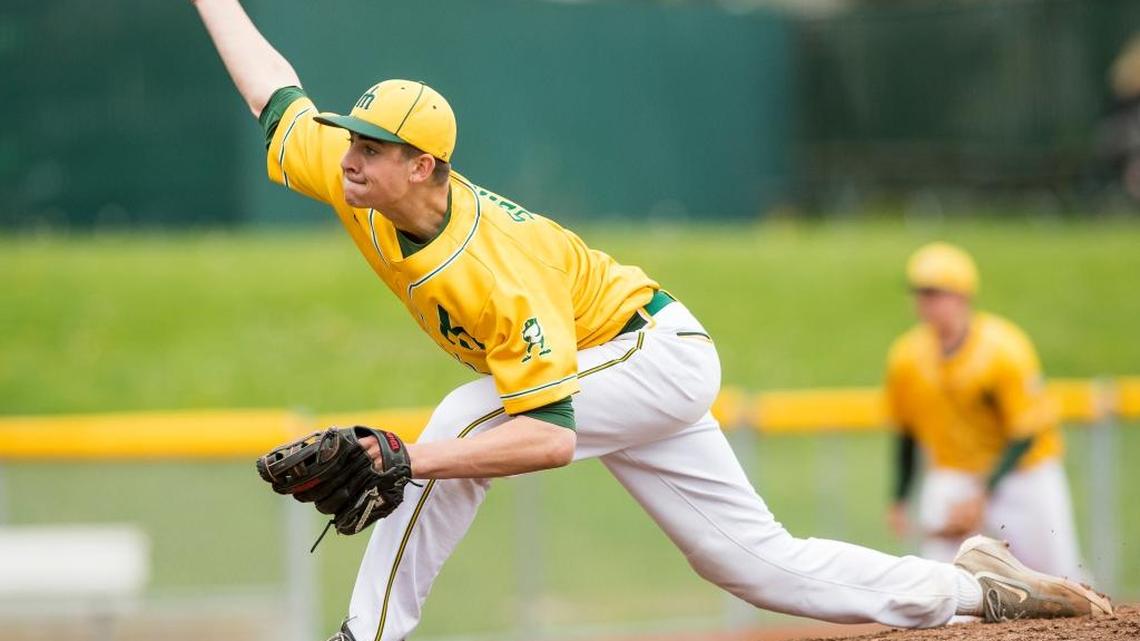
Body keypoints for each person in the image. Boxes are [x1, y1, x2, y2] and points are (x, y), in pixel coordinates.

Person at [190, 2, 1112, 639]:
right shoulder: (356, 182)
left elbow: (547, 439)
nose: (351, 156)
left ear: (425, 167)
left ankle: (366, 632)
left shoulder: (498, 272)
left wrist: (402, 459)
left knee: (462, 419)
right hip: (614, 371)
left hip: (650, 351)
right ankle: (975, 587)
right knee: (755, 565)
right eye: (353, 139)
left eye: (375, 147)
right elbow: (276, 93)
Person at [884, 242, 1085, 579]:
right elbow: (905, 431)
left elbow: (1026, 433)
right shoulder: (906, 357)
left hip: (1022, 474)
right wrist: (899, 497)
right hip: (955, 475)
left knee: (1057, 579)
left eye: (935, 293)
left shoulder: (1004, 348)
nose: (926, 302)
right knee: (941, 581)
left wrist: (983, 494)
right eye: (920, 293)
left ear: (963, 296)